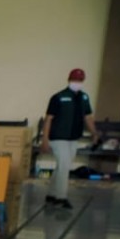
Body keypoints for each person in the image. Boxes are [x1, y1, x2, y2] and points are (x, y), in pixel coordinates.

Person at [40, 69, 101, 210]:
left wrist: (94, 133)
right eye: (75, 80)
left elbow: (88, 117)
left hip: (73, 138)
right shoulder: (58, 97)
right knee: (64, 167)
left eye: (80, 80)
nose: (77, 83)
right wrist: (45, 139)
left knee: (62, 166)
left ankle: (51, 194)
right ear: (69, 79)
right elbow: (48, 119)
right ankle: (61, 198)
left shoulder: (84, 98)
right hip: (57, 138)